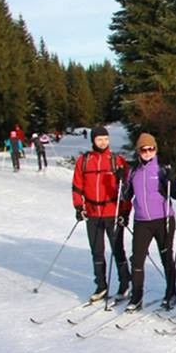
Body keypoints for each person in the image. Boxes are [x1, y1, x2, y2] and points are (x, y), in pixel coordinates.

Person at [72, 125, 131, 302]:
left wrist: (125, 211)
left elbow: (127, 190)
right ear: (93, 141)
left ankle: (124, 283)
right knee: (97, 251)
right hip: (92, 212)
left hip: (112, 211)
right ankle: (101, 286)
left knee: (117, 249)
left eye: (105, 139)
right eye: (99, 139)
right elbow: (77, 186)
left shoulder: (117, 160)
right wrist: (78, 207)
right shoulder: (84, 161)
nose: (103, 142)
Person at [123, 132, 176, 311]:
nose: (148, 152)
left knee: (166, 256)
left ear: (155, 150)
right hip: (142, 221)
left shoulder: (162, 169)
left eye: (151, 149)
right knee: (137, 260)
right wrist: (121, 180)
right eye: (144, 149)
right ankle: (136, 297)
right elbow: (126, 195)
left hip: (163, 219)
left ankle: (171, 293)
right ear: (138, 151)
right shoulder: (134, 172)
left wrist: (172, 180)